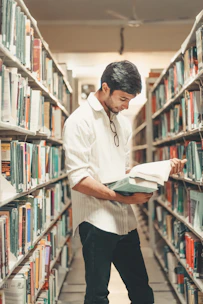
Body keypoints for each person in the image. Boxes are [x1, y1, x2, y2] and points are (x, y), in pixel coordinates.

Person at [63, 60, 185, 304]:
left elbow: (122, 170)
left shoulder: (122, 122)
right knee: (97, 295)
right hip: (95, 221)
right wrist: (123, 197)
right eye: (122, 98)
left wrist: (156, 171)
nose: (126, 105)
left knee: (141, 289)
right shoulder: (79, 121)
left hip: (124, 220)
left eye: (130, 99)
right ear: (105, 88)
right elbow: (78, 178)